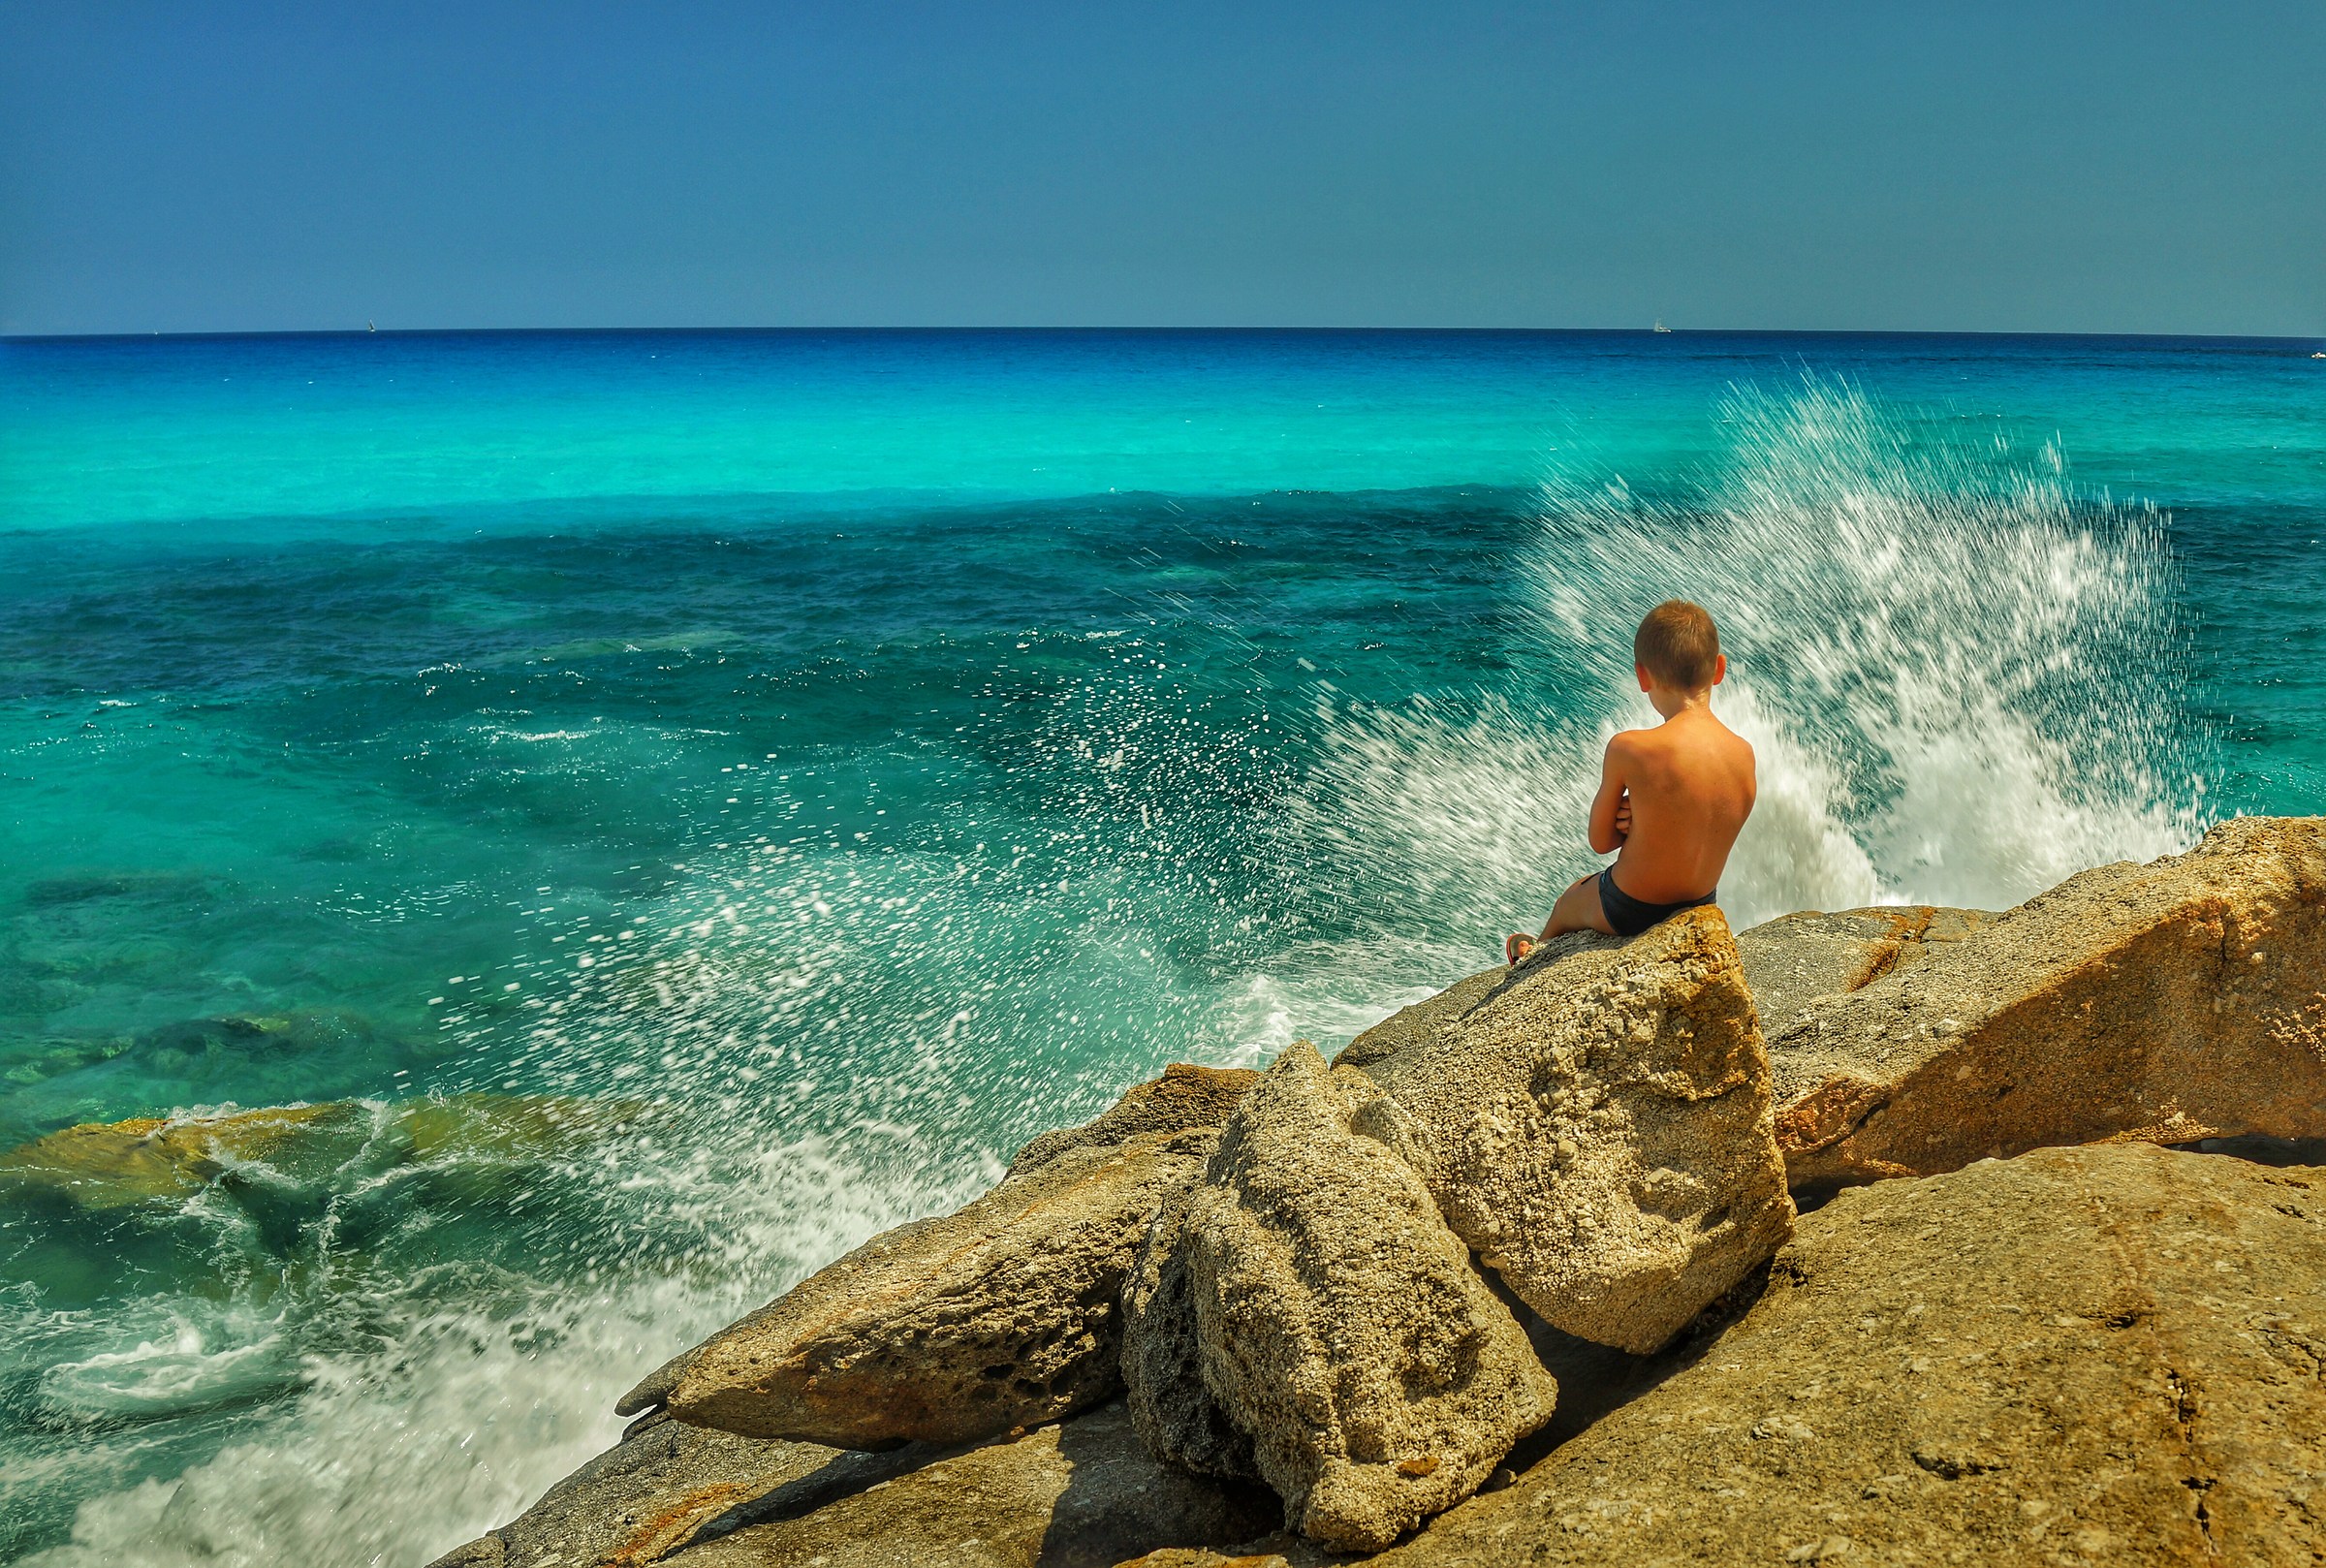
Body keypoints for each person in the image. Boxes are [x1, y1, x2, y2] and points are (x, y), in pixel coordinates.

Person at [1506, 600, 1756, 962]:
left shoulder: (1630, 748)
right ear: (1719, 668)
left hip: (1630, 909)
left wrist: (1632, 821)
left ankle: (1533, 959)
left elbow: (1601, 840)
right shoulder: (1744, 753)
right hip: (1700, 904)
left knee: (1570, 900)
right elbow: (1705, 819)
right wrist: (1649, 816)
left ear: (1642, 676)